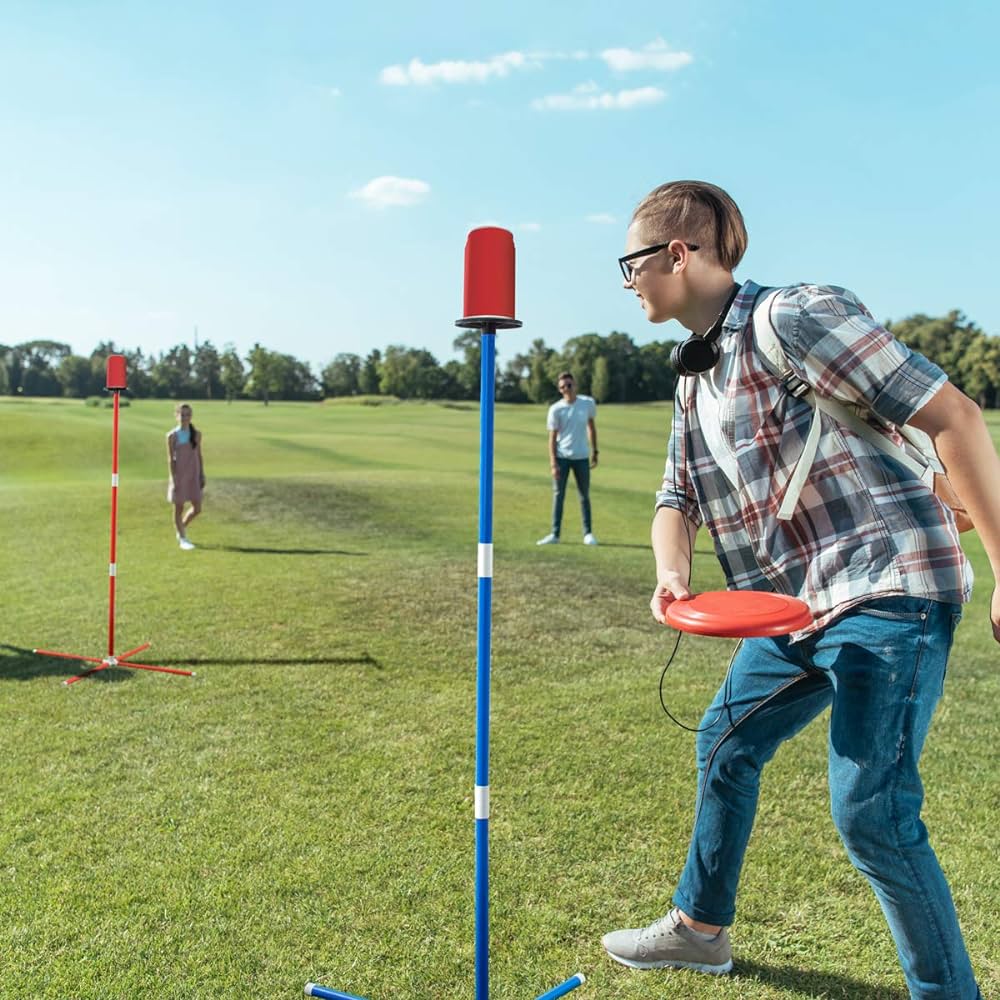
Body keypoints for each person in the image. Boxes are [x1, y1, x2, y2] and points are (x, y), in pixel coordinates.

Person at [600, 180, 997, 998]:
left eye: (631, 263)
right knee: (726, 740)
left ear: (678, 253)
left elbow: (954, 415)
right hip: (794, 605)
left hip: (887, 583)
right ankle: (700, 931)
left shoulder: (793, 316)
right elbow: (676, 498)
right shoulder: (694, 375)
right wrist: (672, 573)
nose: (629, 281)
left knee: (872, 814)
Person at [536, 371, 599, 546]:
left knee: (584, 495)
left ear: (575, 385)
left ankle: (588, 533)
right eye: (563, 387)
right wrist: (553, 462)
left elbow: (591, 428)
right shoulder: (556, 409)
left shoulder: (587, 403)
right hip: (562, 457)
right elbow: (552, 437)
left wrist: (595, 451)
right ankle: (555, 534)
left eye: (569, 385)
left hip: (581, 456)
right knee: (558, 495)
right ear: (559, 389)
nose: (567, 389)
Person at [166, 403, 205, 550]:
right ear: (176, 416)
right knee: (179, 507)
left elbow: (199, 455)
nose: (185, 417)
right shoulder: (171, 436)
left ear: (191, 416)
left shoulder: (197, 434)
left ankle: (181, 528)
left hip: (194, 474)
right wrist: (173, 478)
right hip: (179, 475)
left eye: (187, 415)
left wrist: (202, 474)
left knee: (197, 508)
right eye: (182, 414)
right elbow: (170, 459)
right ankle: (183, 538)